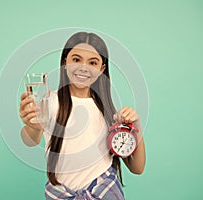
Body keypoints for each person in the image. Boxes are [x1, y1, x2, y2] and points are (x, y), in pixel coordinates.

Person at [19, 32, 146, 199]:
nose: (83, 67)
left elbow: (137, 168)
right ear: (65, 62)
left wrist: (135, 128)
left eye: (93, 62)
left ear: (102, 69)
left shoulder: (108, 111)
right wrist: (33, 127)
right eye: (76, 59)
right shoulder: (49, 101)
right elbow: (29, 141)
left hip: (104, 192)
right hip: (63, 193)